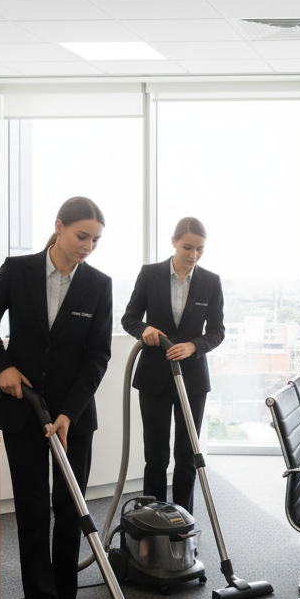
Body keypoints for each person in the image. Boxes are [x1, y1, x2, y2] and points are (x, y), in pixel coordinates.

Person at [0, 197, 112, 599]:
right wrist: (4, 367)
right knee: (32, 512)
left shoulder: (98, 285)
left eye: (95, 239)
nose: (88, 246)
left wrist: (70, 411)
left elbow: (97, 357)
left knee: (70, 508)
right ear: (58, 227)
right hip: (23, 411)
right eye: (81, 236)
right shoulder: (19, 271)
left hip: (74, 417)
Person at [121, 216, 225, 514]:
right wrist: (144, 330)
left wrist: (194, 345)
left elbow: (217, 331)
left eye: (200, 249)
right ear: (174, 242)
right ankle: (151, 523)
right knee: (156, 455)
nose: (193, 255)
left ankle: (183, 523)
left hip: (192, 380)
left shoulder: (211, 281)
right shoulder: (150, 274)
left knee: (187, 454)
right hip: (153, 376)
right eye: (188, 247)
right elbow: (129, 318)